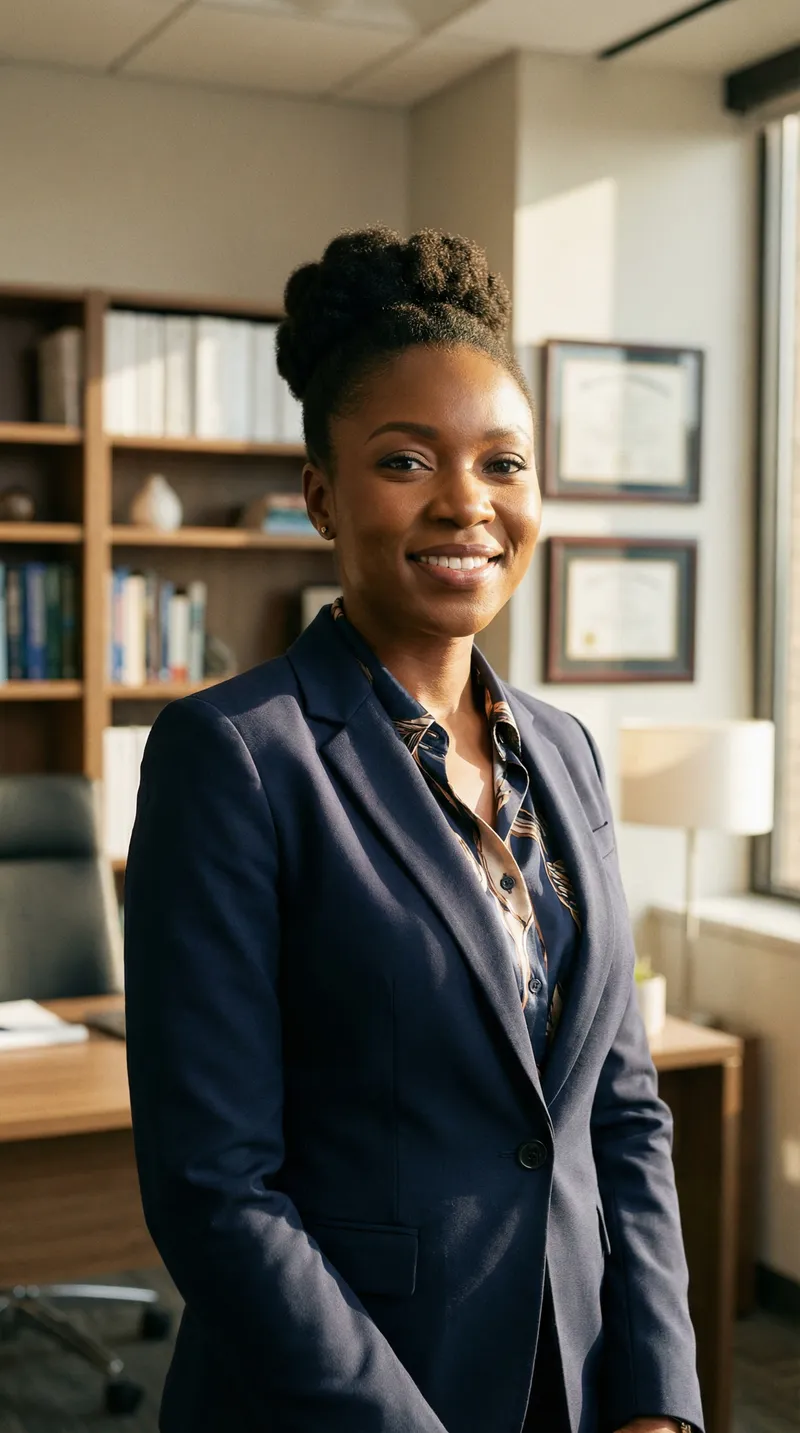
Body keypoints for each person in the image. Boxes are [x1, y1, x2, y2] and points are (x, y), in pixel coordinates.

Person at [124, 227, 703, 1433]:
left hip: (577, 1379)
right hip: (347, 1399)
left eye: (504, 462)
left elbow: (619, 1113)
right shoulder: (234, 753)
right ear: (321, 496)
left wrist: (655, 1392)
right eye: (405, 459)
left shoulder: (565, 750)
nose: (466, 503)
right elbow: (216, 1185)